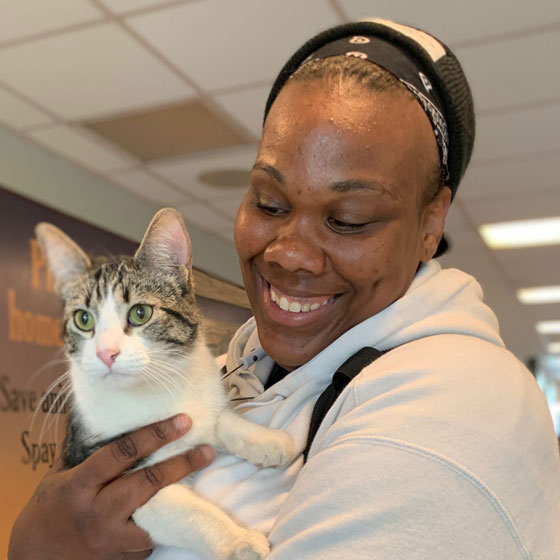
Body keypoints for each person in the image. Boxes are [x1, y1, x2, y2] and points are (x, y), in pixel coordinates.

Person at [9, 19, 560, 560]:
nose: (288, 252)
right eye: (269, 203)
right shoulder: (247, 359)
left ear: (430, 223)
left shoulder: (448, 413)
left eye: (348, 218)